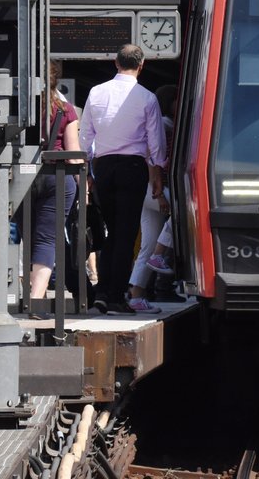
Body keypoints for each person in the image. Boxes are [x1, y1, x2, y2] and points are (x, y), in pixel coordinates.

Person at [80, 44, 167, 315]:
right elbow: (156, 144)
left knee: (109, 231)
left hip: (104, 167)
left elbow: (86, 135)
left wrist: (87, 166)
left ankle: (103, 293)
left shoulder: (96, 92)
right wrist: (157, 170)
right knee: (126, 234)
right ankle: (116, 296)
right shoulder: (147, 98)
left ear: (116, 64)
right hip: (133, 167)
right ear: (141, 66)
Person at [30, 60, 82, 310]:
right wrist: (83, 184)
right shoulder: (66, 111)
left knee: (27, 237)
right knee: (47, 239)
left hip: (25, 177)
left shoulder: (21, 109)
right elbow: (73, 152)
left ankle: (20, 292)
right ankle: (36, 299)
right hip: (58, 178)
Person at [127, 85, 177, 311]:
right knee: (184, 213)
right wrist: (160, 193)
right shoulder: (166, 126)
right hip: (154, 188)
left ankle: (136, 295)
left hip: (145, 189)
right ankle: (160, 255)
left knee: (147, 244)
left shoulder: (161, 125)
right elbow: (153, 158)